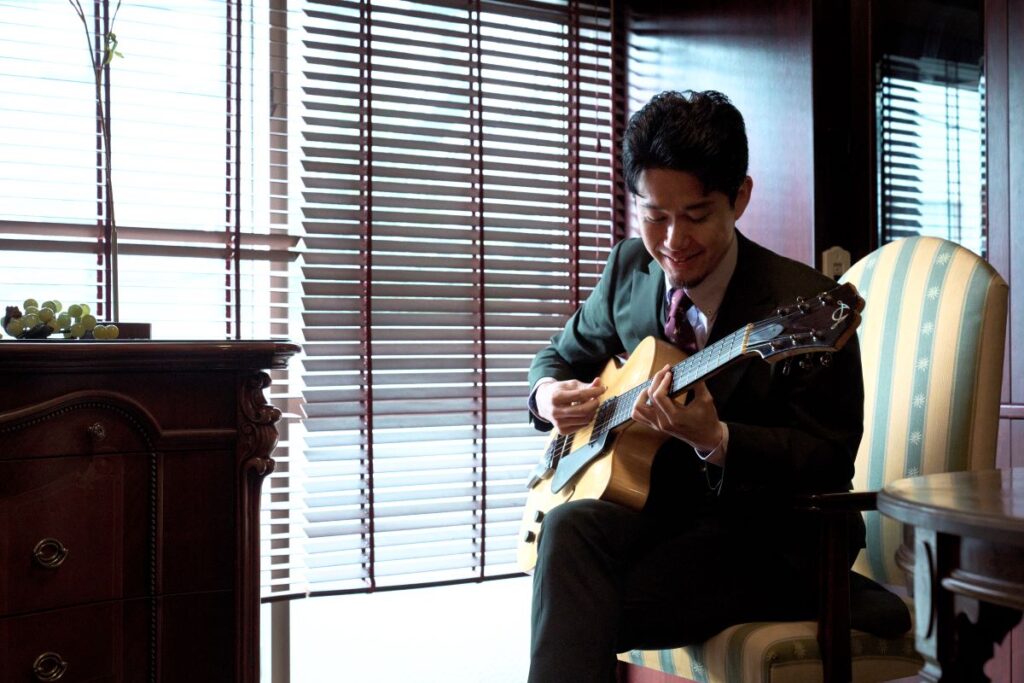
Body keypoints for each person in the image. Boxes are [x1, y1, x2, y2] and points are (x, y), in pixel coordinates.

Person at [526, 90, 867, 682]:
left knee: (575, 601)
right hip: (662, 516)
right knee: (567, 529)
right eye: (655, 216)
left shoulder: (806, 305)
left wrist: (717, 439)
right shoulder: (629, 269)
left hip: (767, 535)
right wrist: (545, 396)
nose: (673, 241)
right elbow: (557, 356)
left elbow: (830, 457)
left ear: (740, 198)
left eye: (697, 215)